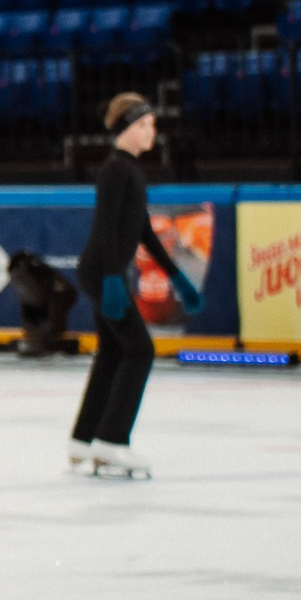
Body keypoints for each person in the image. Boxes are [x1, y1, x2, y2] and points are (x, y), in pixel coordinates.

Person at [68, 94, 201, 479]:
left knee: (112, 353)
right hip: (102, 271)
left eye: (152, 125)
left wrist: (177, 278)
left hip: (104, 271)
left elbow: (141, 230)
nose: (151, 132)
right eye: (143, 125)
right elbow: (109, 227)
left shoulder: (129, 171)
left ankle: (84, 438)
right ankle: (112, 441)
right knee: (140, 350)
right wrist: (112, 279)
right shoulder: (115, 171)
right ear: (125, 129)